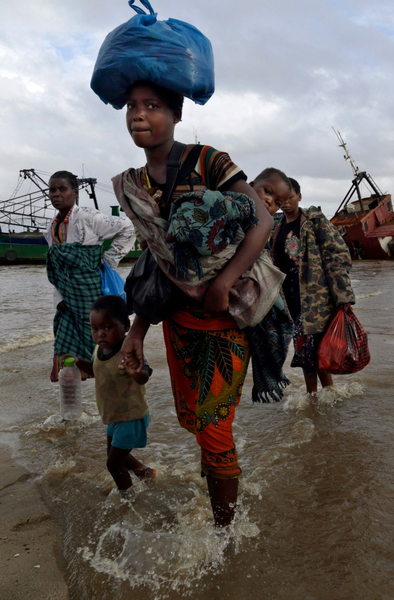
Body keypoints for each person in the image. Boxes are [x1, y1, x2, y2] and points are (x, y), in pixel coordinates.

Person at [113, 81, 275, 527]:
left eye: (152, 106)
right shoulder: (137, 183)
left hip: (227, 315)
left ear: (177, 115)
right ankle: (219, 505)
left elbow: (261, 220)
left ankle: (224, 538)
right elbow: (158, 262)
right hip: (179, 321)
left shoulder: (208, 160)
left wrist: (224, 280)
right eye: (131, 106)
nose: (138, 114)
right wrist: (136, 331)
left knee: (214, 424)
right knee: (199, 422)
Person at [44, 170, 135, 382]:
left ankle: (116, 378)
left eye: (62, 189)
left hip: (90, 289)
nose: (56, 194)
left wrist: (109, 260)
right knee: (67, 341)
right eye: (52, 190)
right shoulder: (51, 227)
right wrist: (59, 299)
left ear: (75, 192)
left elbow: (128, 227)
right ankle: (80, 384)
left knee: (100, 336)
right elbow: (57, 270)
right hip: (68, 296)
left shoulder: (88, 216)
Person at [271, 178, 356, 400]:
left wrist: (343, 295)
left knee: (312, 345)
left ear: (300, 196)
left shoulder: (314, 221)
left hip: (316, 296)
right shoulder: (277, 227)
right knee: (309, 346)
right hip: (291, 296)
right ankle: (324, 397)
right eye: (281, 199)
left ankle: (317, 398)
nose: (286, 202)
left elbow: (337, 255)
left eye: (290, 197)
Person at [74, 295, 156, 497]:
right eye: (95, 329)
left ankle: (128, 498)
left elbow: (144, 375)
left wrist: (135, 372)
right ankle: (145, 473)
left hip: (131, 417)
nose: (100, 334)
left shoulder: (128, 352)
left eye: (107, 327)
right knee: (116, 455)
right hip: (114, 415)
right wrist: (79, 363)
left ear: (126, 326)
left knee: (113, 464)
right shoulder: (99, 350)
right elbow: (98, 370)